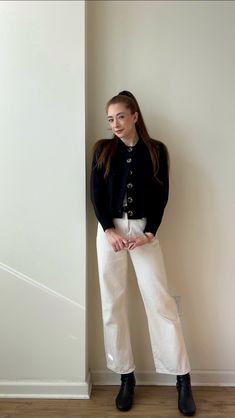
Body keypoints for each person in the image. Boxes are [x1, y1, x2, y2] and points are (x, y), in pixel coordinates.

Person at [90, 90, 196, 416]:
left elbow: (162, 193)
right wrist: (108, 228)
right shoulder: (102, 149)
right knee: (113, 304)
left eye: (120, 116)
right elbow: (95, 191)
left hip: (144, 233)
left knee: (160, 301)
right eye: (110, 119)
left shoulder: (156, 150)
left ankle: (182, 377)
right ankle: (126, 376)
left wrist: (150, 233)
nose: (115, 124)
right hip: (110, 233)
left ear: (135, 115)